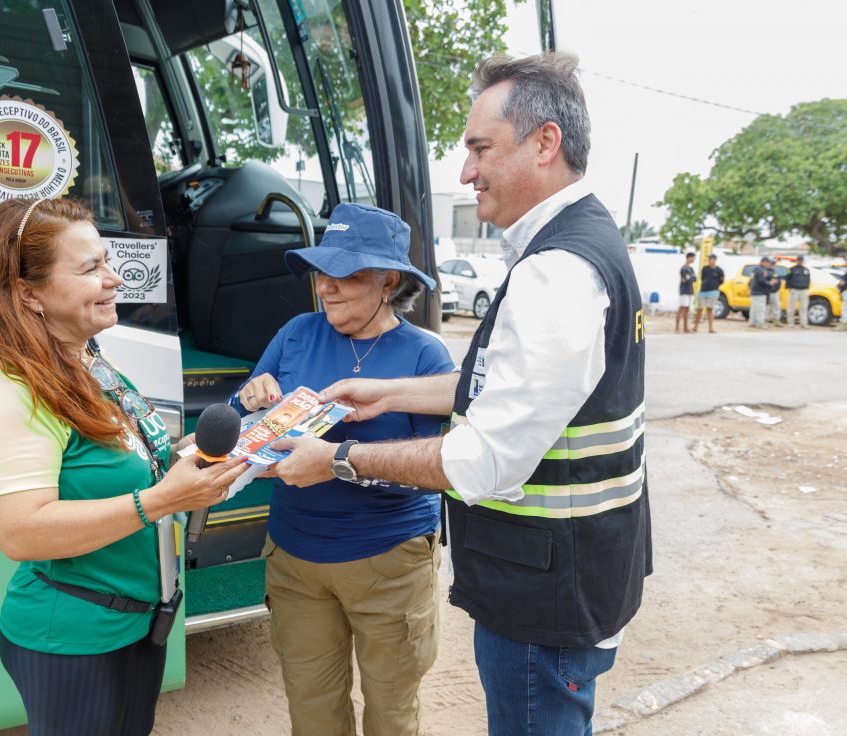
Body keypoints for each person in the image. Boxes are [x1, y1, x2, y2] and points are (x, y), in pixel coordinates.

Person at [265, 54, 651, 736]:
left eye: (479, 149)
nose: (467, 172)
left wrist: (338, 459)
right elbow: (509, 388)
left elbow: (482, 460)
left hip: (546, 587)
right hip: (567, 573)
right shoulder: (575, 248)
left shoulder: (556, 271)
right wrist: (387, 394)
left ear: (545, 142)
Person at [0, 198, 247, 736]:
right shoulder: (8, 390)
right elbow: (20, 532)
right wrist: (162, 500)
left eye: (107, 261)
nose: (115, 279)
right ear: (27, 293)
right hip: (74, 637)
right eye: (90, 269)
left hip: (135, 624)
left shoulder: (86, 357)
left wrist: (215, 461)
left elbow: (134, 457)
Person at [234, 202, 454, 736]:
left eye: (346, 275)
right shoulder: (295, 334)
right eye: (320, 273)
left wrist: (334, 465)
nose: (326, 288)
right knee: (311, 710)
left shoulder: (428, 358)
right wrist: (252, 393)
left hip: (388, 562)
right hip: (295, 559)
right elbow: (247, 415)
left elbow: (437, 468)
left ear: (389, 281)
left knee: (391, 712)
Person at [693, 253, 724, 333]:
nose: (710, 261)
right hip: (703, 291)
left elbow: (721, 280)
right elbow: (702, 278)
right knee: (699, 309)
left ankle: (710, 328)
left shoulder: (719, 270)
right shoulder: (705, 269)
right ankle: (695, 327)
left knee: (709, 309)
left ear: (714, 260)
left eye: (711, 259)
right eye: (709, 259)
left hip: (713, 291)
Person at [786, 255, 811, 328]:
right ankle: (790, 323)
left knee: (804, 307)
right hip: (794, 290)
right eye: (799, 260)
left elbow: (808, 279)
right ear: (796, 260)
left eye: (801, 260)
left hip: (803, 290)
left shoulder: (806, 270)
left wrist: (807, 287)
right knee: (791, 307)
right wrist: (790, 287)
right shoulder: (791, 269)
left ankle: (804, 323)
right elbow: (787, 278)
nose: (800, 261)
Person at [748, 256, 773, 328]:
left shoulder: (755, 269)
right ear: (763, 262)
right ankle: (760, 323)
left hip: (754, 291)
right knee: (760, 308)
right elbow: (761, 280)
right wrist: (769, 283)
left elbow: (751, 280)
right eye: (767, 262)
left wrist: (750, 289)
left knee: (754, 308)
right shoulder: (761, 270)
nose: (768, 264)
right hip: (760, 292)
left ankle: (752, 322)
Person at [676, 251, 696, 333]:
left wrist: (689, 278)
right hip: (684, 291)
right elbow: (686, 279)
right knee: (682, 308)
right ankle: (677, 327)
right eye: (693, 257)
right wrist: (689, 278)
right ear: (689, 258)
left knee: (687, 309)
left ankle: (685, 328)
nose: (694, 259)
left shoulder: (690, 268)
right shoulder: (683, 268)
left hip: (690, 290)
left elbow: (694, 279)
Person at [765, 259, 784, 327]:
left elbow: (778, 281)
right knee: (767, 307)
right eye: (771, 263)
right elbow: (764, 280)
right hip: (768, 292)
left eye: (773, 264)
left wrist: (777, 285)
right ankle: (765, 321)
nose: (772, 265)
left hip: (775, 292)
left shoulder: (774, 272)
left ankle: (776, 320)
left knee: (777, 307)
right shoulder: (765, 271)